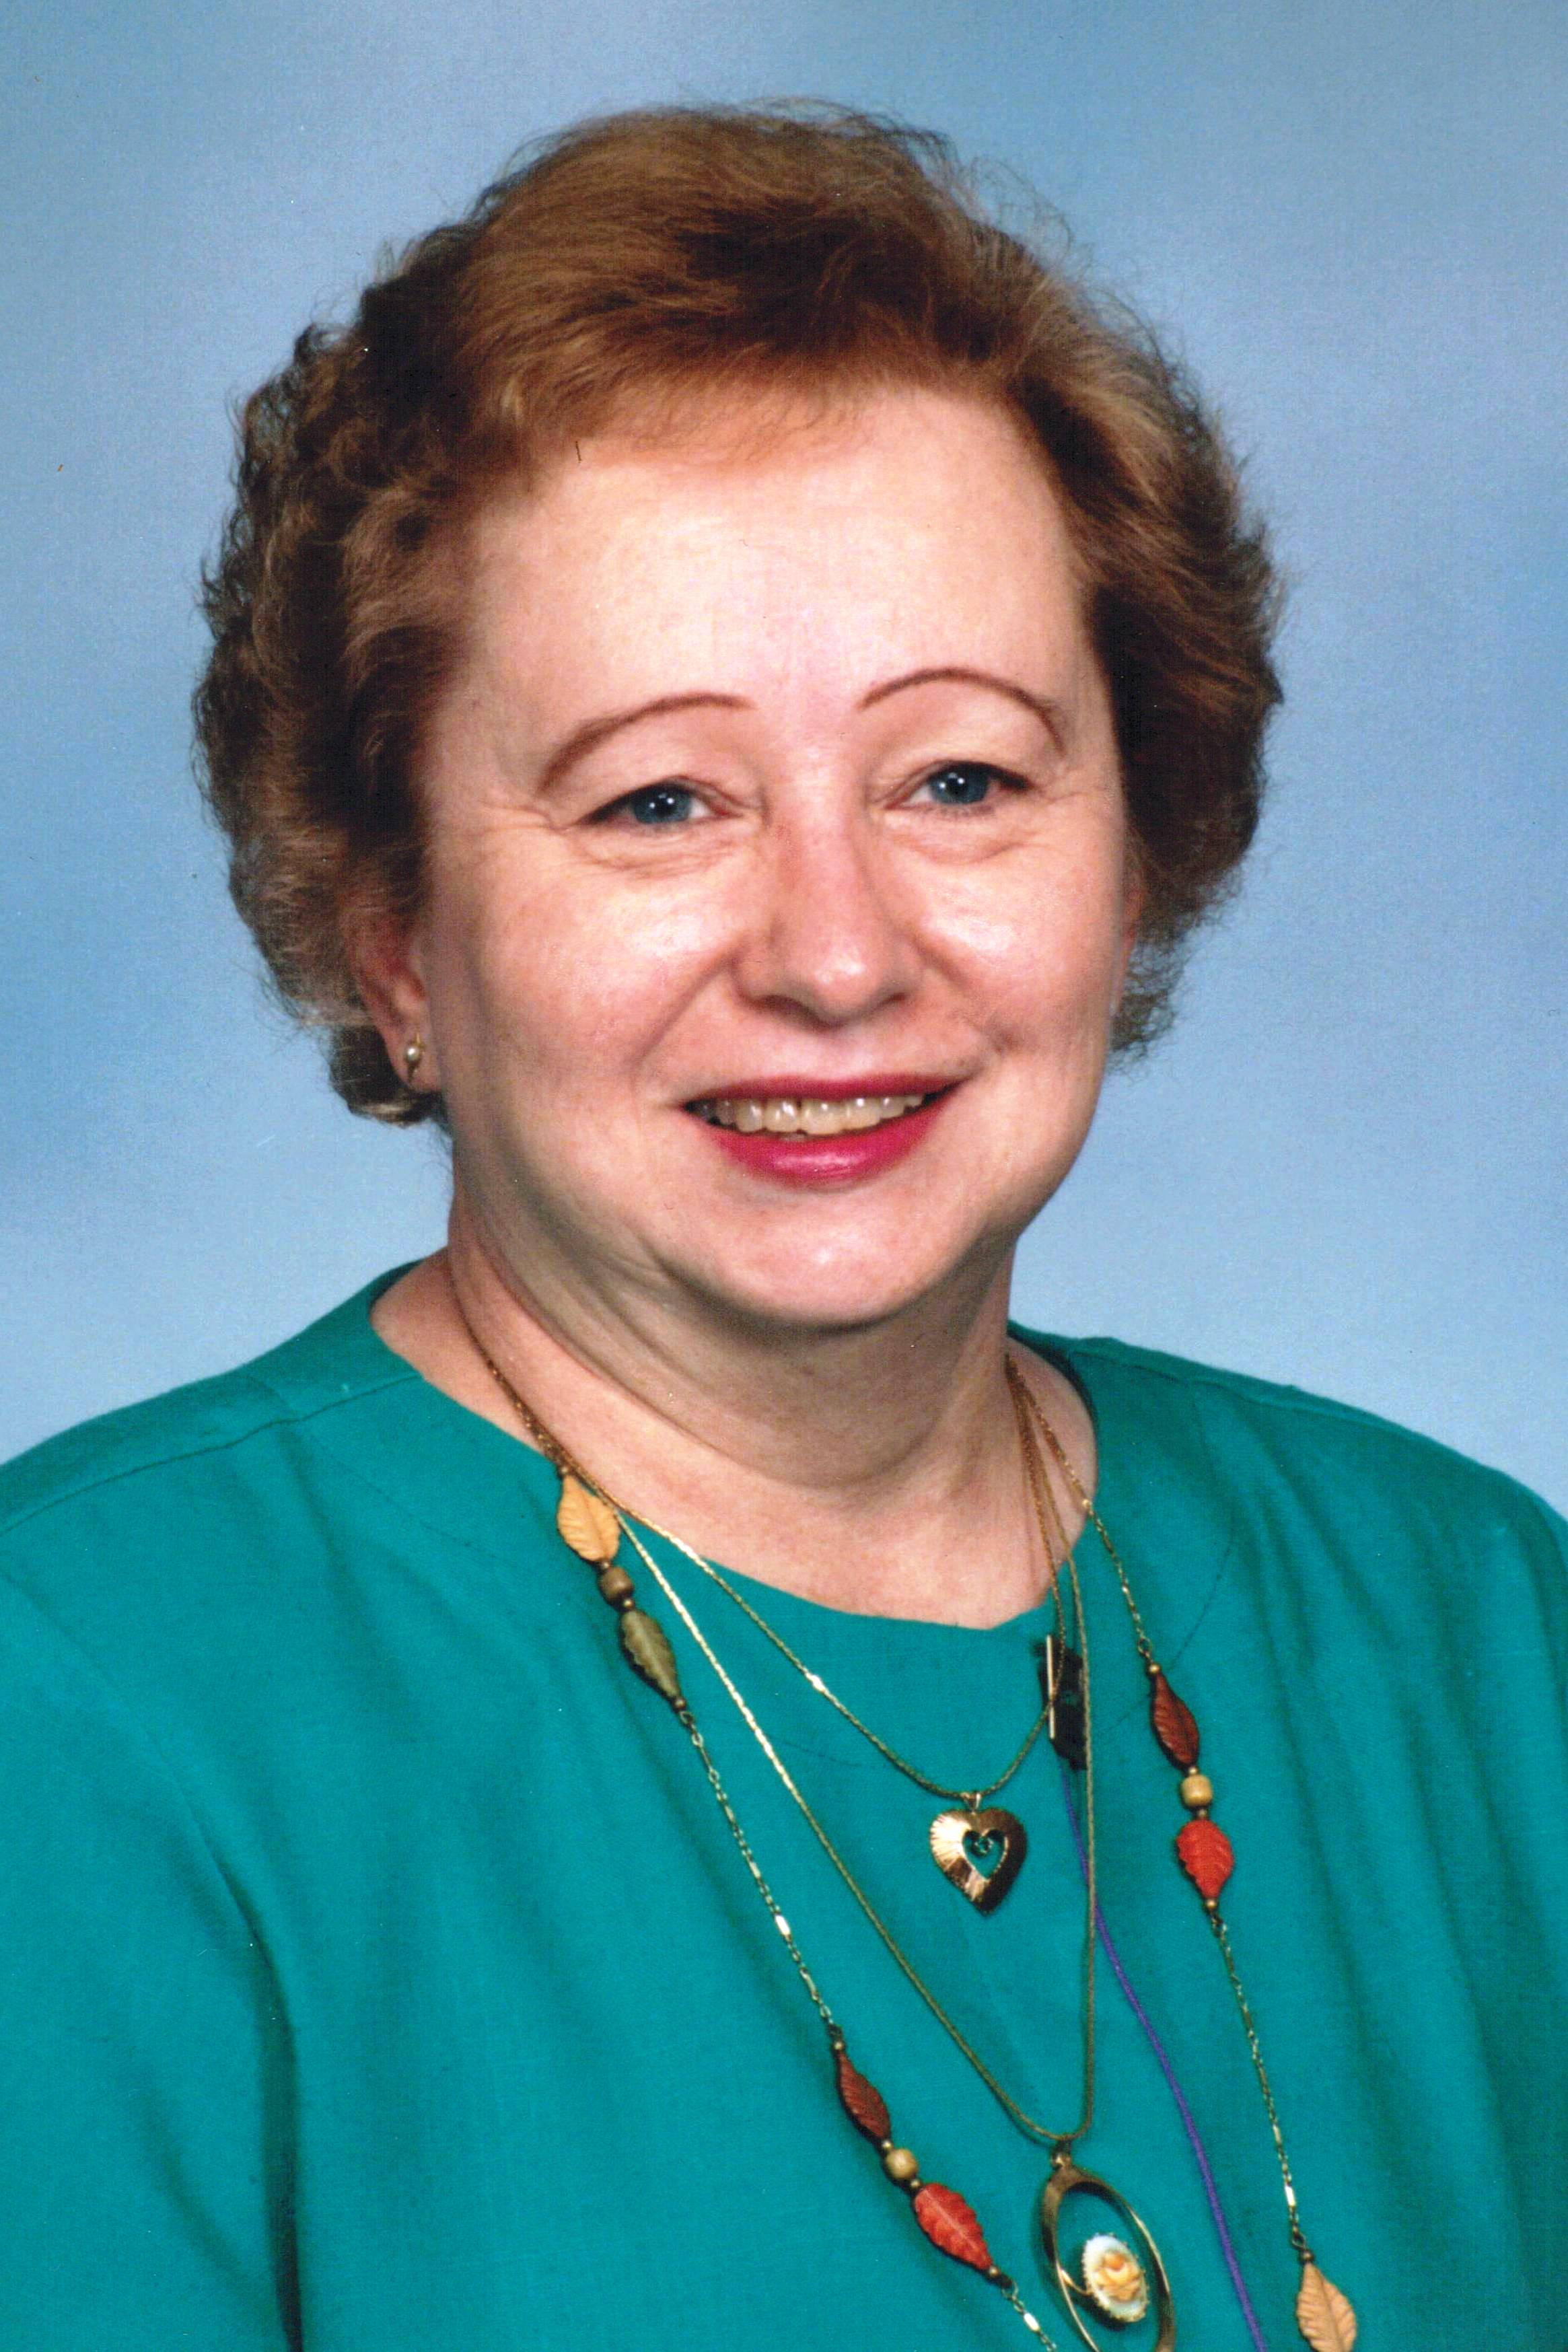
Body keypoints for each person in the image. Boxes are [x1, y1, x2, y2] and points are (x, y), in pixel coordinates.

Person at [1, 104, 1563, 2352]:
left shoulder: (1475, 1629)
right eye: (659, 800)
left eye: (959, 778)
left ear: (1134, 848)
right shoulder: (81, 1708)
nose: (836, 953)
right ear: (392, 932)